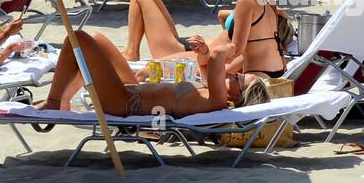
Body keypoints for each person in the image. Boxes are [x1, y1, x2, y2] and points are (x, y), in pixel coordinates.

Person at [122, 0, 289, 86]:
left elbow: (235, 50)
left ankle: (131, 53)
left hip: (193, 54)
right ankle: (130, 52)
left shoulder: (245, 2)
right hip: (272, 68)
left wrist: (211, 53)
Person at [39, 30, 237, 116]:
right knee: (96, 39)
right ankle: (64, 99)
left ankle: (55, 102)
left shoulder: (217, 100)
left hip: (123, 102)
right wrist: (203, 50)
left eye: (239, 79)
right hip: (131, 88)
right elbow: (206, 60)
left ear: (236, 95)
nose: (235, 74)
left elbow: (217, 55)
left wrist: (234, 48)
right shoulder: (211, 91)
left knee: (78, 38)